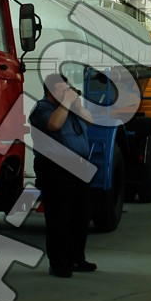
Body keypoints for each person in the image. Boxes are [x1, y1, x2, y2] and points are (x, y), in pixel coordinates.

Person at [29, 74, 96, 279]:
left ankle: (77, 258)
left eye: (67, 88)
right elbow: (54, 125)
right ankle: (58, 263)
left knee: (81, 215)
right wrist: (66, 102)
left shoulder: (70, 108)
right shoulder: (41, 109)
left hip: (79, 166)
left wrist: (77, 104)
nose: (66, 92)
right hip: (55, 168)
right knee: (59, 217)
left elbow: (90, 121)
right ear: (50, 92)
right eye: (61, 89)